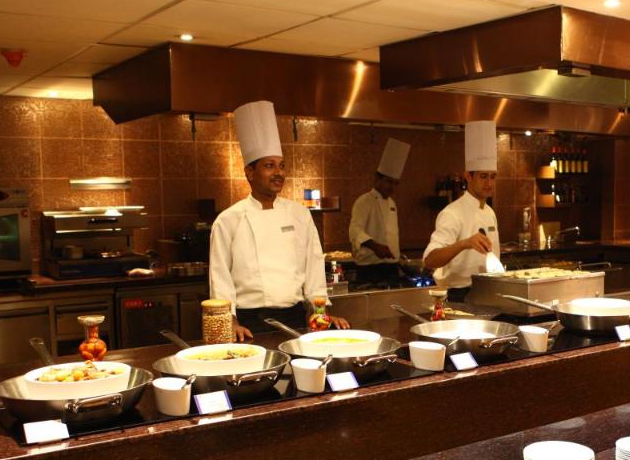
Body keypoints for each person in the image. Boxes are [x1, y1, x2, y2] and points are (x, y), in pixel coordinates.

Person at [209, 100, 348, 338]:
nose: (279, 173)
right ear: (250, 173)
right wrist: (229, 322)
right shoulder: (228, 219)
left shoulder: (300, 214)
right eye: (269, 166)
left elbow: (313, 266)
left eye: (281, 166)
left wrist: (320, 313)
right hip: (247, 323)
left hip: (295, 318)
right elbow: (220, 277)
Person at [422, 120, 500, 303]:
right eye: (483, 176)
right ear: (468, 176)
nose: (489, 183)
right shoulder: (452, 213)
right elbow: (430, 260)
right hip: (459, 296)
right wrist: (465, 243)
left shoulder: (490, 212)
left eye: (492, 177)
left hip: (488, 292)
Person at [349, 138, 410, 284]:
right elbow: (355, 231)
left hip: (391, 268)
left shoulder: (392, 203)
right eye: (389, 182)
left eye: (395, 183)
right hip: (371, 270)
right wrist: (375, 247)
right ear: (377, 178)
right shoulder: (364, 201)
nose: (392, 187)